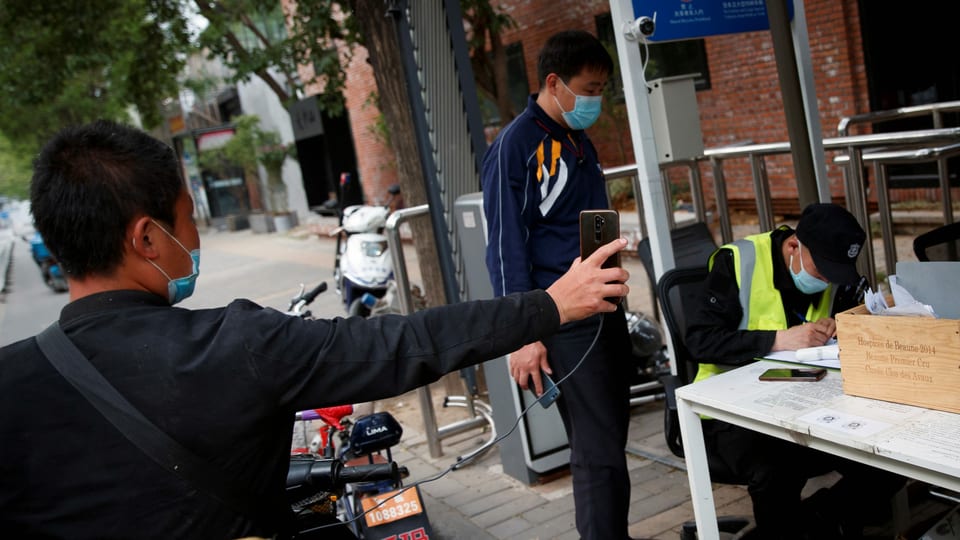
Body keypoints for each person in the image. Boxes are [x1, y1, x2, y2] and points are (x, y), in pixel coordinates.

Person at [0, 120, 630, 539]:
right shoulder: (234, 347)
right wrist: (551, 306)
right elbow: (402, 344)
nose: (192, 239)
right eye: (187, 219)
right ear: (146, 237)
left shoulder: (12, 383)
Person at [482, 30, 636, 540]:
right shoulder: (515, 147)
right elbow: (505, 246)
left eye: (602, 89)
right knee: (597, 453)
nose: (596, 99)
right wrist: (522, 333)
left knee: (610, 442)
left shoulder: (577, 138)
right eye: (589, 88)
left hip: (604, 308)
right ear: (554, 82)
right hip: (562, 317)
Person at [685, 203, 905, 540]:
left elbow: (854, 313)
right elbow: (700, 340)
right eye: (821, 271)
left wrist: (842, 326)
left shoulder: (830, 271)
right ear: (793, 247)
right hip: (731, 411)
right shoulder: (739, 262)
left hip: (804, 398)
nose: (827, 281)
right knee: (776, 470)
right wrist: (777, 340)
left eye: (834, 273)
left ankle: (820, 520)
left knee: (891, 452)